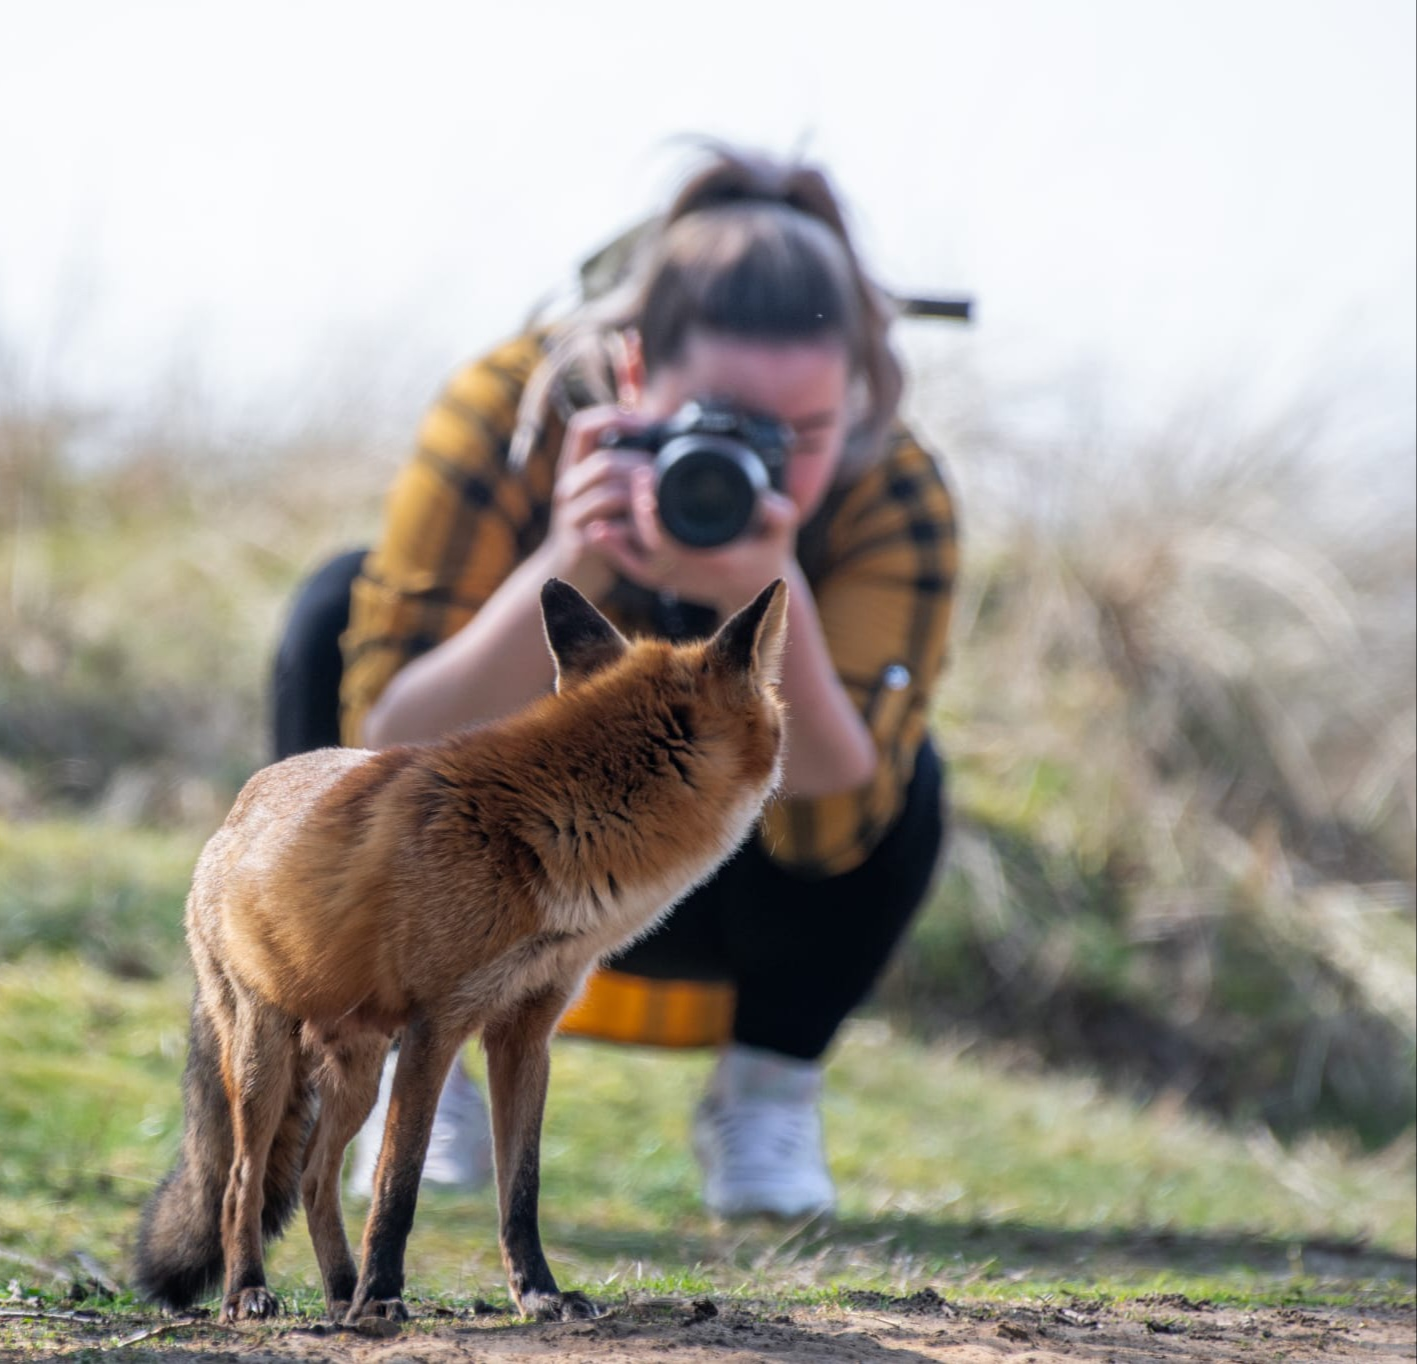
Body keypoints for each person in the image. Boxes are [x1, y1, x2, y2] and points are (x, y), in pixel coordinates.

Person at [269, 144, 957, 1219]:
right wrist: (567, 563)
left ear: (858, 398)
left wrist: (776, 601)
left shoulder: (892, 488)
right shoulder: (511, 409)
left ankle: (769, 1089)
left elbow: (843, 807)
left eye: (800, 435)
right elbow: (380, 730)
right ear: (635, 372)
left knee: (909, 772)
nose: (759, 462)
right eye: (718, 421)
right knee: (330, 612)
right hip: (479, 862)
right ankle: (409, 1057)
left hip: (715, 890)